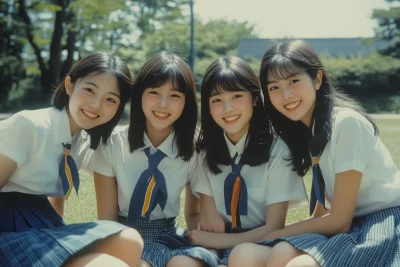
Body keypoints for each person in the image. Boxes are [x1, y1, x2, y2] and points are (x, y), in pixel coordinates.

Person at [228, 40, 400, 267]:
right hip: (352, 226)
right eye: (274, 87)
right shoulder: (307, 132)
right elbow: (321, 216)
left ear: (317, 79)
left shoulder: (346, 123)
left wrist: (270, 234)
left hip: (383, 223)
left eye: (294, 81)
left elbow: (339, 221)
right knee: (251, 253)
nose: (286, 94)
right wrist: (270, 236)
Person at [0, 52, 143, 267]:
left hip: (42, 219)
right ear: (69, 85)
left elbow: (58, 189)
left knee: (129, 240)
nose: (96, 104)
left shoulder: (83, 142)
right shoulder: (29, 125)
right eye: (89, 90)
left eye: (110, 99)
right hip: (7, 225)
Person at [90, 51, 219, 267]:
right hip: (124, 234)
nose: (163, 103)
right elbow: (106, 220)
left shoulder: (194, 148)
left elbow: (196, 212)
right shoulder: (111, 144)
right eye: (154, 92)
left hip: (169, 234)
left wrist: (208, 241)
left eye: (175, 95)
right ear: (139, 94)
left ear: (187, 102)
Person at [187, 57, 307, 266]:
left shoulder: (278, 150)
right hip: (214, 247)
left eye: (236, 96)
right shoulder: (203, 151)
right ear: (207, 107)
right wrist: (212, 242)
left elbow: (274, 227)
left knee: (242, 256)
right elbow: (193, 215)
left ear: (254, 99)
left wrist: (221, 240)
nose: (228, 108)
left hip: (261, 245)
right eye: (217, 100)